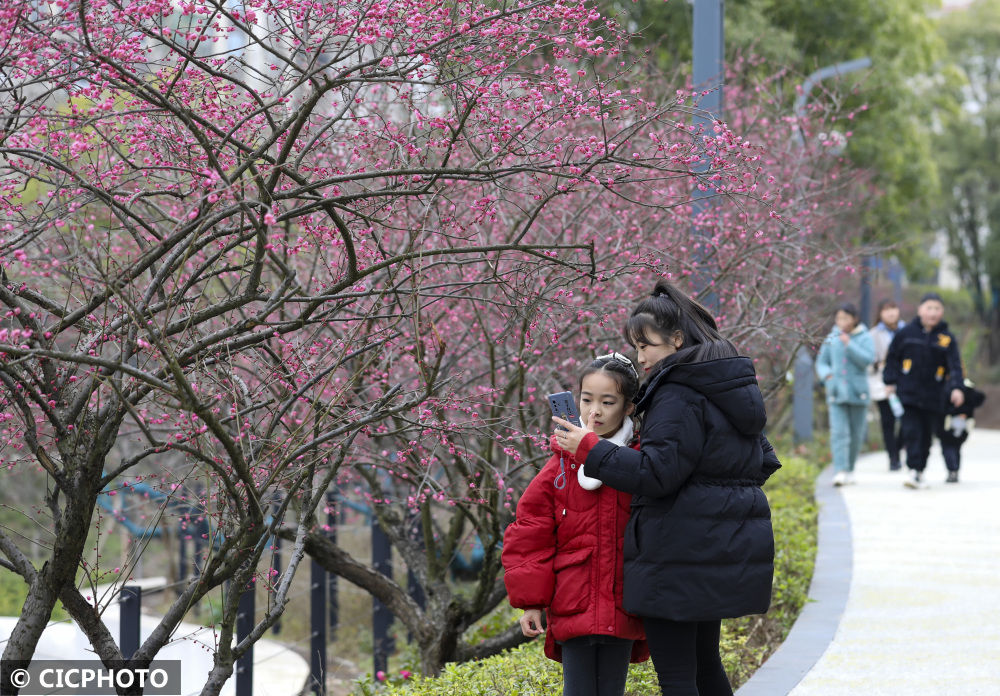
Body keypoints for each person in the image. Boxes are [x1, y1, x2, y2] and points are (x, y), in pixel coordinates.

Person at [552, 281, 780, 696]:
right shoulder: (725, 384)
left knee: (677, 676)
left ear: (677, 338)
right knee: (705, 666)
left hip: (676, 551)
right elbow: (762, 459)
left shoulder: (677, 392)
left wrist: (588, 448)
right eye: (636, 347)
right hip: (715, 546)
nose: (640, 358)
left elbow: (657, 473)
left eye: (646, 346)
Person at [502, 353, 649, 696]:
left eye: (607, 401)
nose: (593, 411)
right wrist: (531, 601)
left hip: (622, 601)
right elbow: (530, 533)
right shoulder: (560, 466)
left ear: (628, 406)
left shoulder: (638, 462)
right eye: (586, 399)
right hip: (574, 600)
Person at [882, 292, 964, 489]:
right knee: (911, 431)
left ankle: (920, 469)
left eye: (937, 309)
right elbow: (892, 358)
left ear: (942, 312)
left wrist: (957, 388)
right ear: (920, 310)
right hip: (908, 393)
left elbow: (955, 366)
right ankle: (914, 470)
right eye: (929, 308)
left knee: (926, 435)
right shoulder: (906, 334)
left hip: (934, 396)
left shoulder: (946, 338)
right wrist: (890, 381)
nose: (933, 313)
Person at [815, 303, 875, 486]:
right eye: (839, 318)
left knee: (856, 434)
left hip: (859, 393)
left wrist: (850, 345)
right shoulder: (832, 337)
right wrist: (828, 376)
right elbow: (821, 362)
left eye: (845, 318)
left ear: (854, 319)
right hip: (836, 392)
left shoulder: (864, 337)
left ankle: (849, 469)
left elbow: (867, 360)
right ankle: (840, 470)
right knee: (839, 433)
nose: (841, 322)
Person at [867, 299, 906, 471]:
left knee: (907, 422)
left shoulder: (907, 330)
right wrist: (878, 364)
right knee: (888, 422)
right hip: (881, 383)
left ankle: (897, 450)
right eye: (886, 310)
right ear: (880, 313)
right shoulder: (873, 334)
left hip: (904, 383)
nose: (891, 313)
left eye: (893, 308)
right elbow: (867, 360)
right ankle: (893, 457)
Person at [939, 378, 986, 483]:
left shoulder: (950, 386)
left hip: (951, 422)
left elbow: (980, 397)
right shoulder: (964, 386)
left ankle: (953, 470)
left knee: (948, 446)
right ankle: (954, 470)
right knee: (955, 447)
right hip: (957, 421)